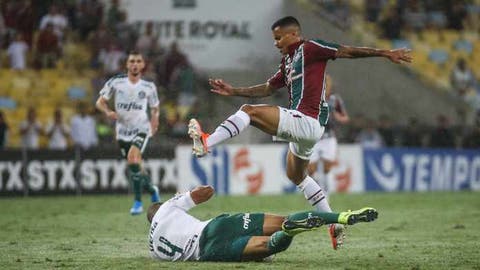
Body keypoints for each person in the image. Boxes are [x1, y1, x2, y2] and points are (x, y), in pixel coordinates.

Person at [188, 16, 411, 249]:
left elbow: (347, 51)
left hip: (307, 121)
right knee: (298, 176)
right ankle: (334, 224)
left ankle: (208, 142)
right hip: (306, 128)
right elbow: (266, 88)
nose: (276, 43)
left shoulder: (310, 48)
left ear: (294, 34)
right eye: (274, 39)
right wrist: (234, 90)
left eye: (279, 37)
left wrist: (385, 52)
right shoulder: (287, 62)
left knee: (249, 112)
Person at [147, 185, 378, 262]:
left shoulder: (153, 248)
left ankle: (289, 233)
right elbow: (206, 192)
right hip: (215, 227)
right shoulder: (167, 207)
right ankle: (341, 217)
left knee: (271, 247)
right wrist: (183, 194)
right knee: (284, 220)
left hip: (209, 251)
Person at [96, 51, 160, 215]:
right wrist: (108, 112)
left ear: (143, 65)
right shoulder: (116, 82)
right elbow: (100, 102)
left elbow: (155, 108)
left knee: (133, 158)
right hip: (122, 132)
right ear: (127, 64)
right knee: (135, 165)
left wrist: (155, 121)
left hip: (141, 129)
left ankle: (137, 202)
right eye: (132, 61)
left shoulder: (148, 87)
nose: (135, 64)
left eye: (138, 61)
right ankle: (152, 189)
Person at [307, 74, 349, 201]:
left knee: (327, 168)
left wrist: (337, 116)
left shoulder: (334, 100)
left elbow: (345, 117)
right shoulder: (310, 98)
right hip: (313, 138)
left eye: (326, 83)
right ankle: (314, 191)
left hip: (329, 137)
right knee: (311, 169)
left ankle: (326, 195)